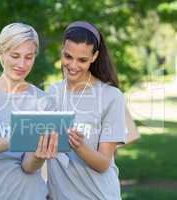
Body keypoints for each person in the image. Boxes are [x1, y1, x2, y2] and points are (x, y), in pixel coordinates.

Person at [0, 22, 58, 200]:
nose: (22, 64)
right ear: (1, 54)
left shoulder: (44, 102)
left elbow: (28, 166)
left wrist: (40, 155)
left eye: (29, 57)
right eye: (15, 55)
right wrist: (19, 137)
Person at [47, 21, 126, 200]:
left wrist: (80, 147)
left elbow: (104, 163)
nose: (73, 65)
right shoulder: (52, 93)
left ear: (94, 56)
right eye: (68, 57)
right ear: (62, 51)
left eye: (82, 60)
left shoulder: (111, 97)